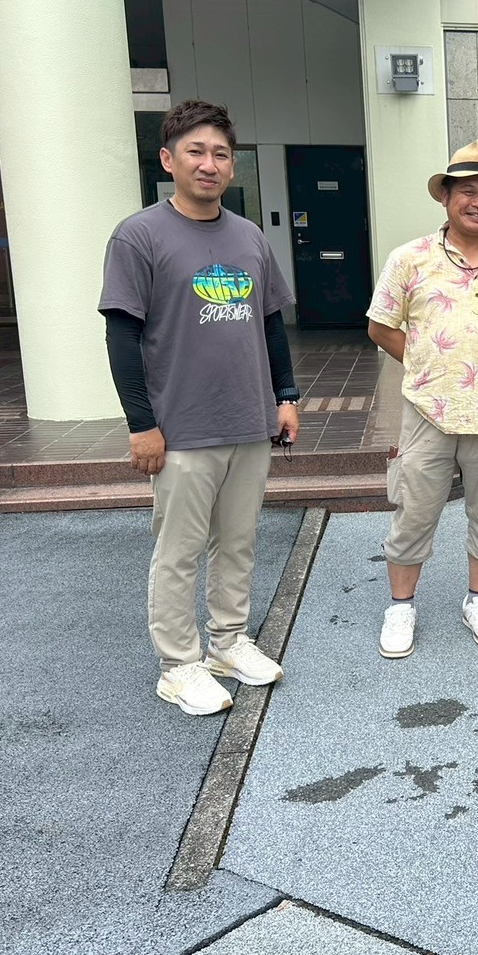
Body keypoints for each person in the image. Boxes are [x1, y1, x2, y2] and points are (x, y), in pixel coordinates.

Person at [99, 99, 299, 716]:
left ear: (232, 165)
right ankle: (178, 665)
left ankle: (228, 643)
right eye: (195, 151)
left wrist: (285, 396)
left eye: (220, 153)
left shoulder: (249, 237)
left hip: (248, 420)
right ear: (168, 160)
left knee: (237, 542)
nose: (209, 164)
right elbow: (122, 335)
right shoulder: (139, 236)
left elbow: (270, 324)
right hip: (181, 427)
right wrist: (141, 424)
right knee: (179, 551)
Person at [367, 141, 478, 659]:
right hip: (428, 411)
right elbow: (380, 326)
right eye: (467, 191)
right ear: (445, 197)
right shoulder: (410, 259)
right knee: (414, 511)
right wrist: (430, 363)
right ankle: (401, 606)